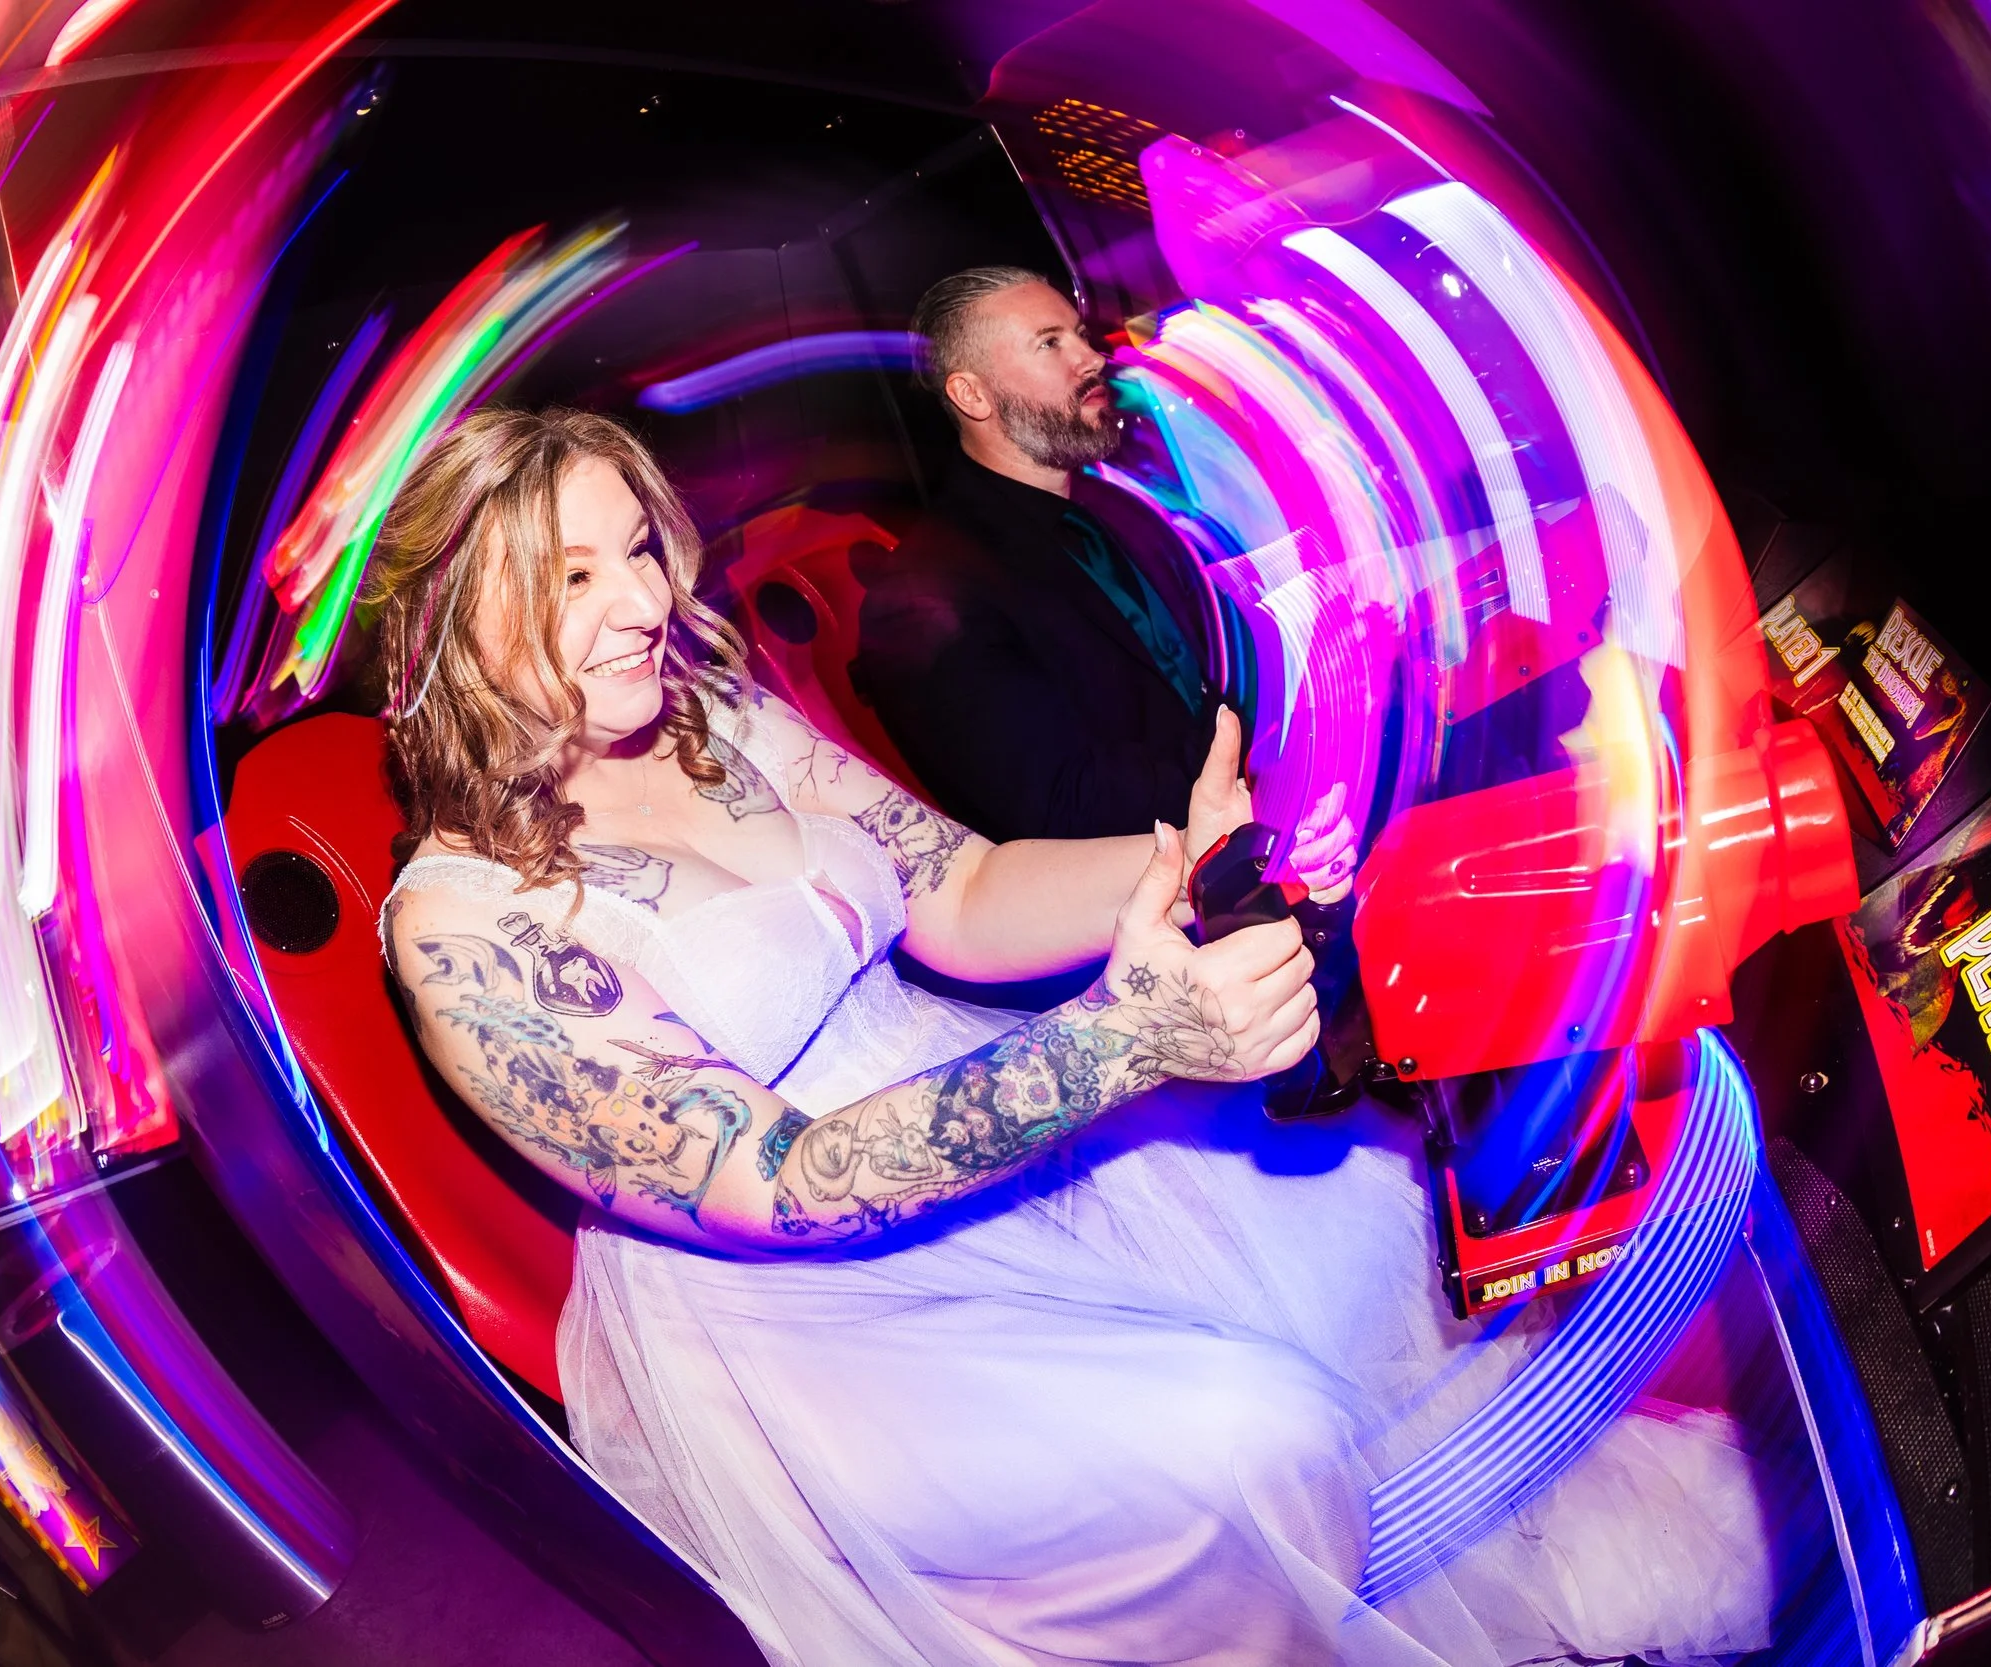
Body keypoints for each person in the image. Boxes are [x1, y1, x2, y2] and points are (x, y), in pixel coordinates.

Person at [369, 406, 1780, 1666]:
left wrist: (1182, 855)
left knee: (1364, 1205)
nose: (640, 602)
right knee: (1239, 1439)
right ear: (450, 623)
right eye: (570, 577)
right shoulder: (459, 931)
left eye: (639, 550)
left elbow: (961, 891)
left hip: (967, 1089)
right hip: (806, 1313)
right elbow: (789, 1185)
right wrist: (1122, 1042)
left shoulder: (708, 716)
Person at [854, 267, 1218, 842]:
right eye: (1050, 343)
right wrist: (1242, 776)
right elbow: (1061, 804)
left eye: (1078, 333)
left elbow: (1206, 669)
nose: (1092, 357)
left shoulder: (1122, 508)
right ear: (972, 394)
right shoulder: (924, 597)